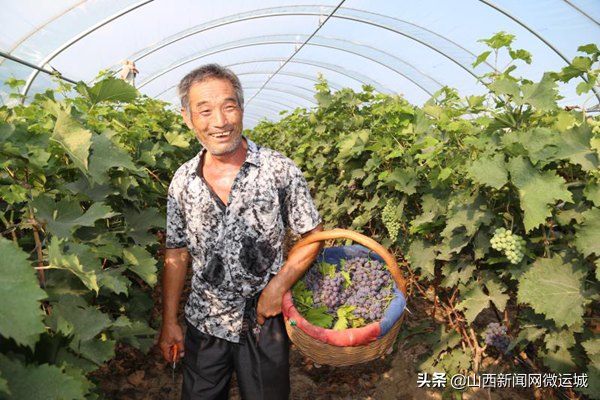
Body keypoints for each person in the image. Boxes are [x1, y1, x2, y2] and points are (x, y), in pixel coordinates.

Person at [158, 63, 323, 400]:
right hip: (205, 320)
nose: (220, 121)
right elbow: (176, 252)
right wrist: (169, 320)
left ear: (241, 110)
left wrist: (278, 287)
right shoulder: (182, 182)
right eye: (205, 111)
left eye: (229, 106)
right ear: (188, 118)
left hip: (264, 321)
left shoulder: (278, 169)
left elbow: (312, 236)